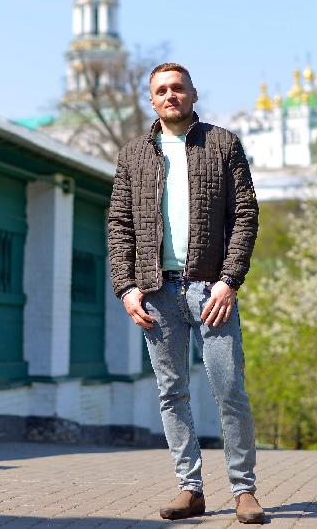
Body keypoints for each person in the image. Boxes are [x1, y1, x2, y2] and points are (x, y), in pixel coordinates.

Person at [107, 62, 264, 523]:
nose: (170, 95)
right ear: (151, 100)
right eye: (161, 90)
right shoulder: (133, 155)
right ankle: (190, 489)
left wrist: (229, 279)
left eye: (178, 87)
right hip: (155, 292)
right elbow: (119, 226)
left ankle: (244, 490)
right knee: (171, 392)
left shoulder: (222, 144)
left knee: (228, 388)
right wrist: (126, 288)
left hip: (210, 289)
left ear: (193, 93)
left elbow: (245, 217)